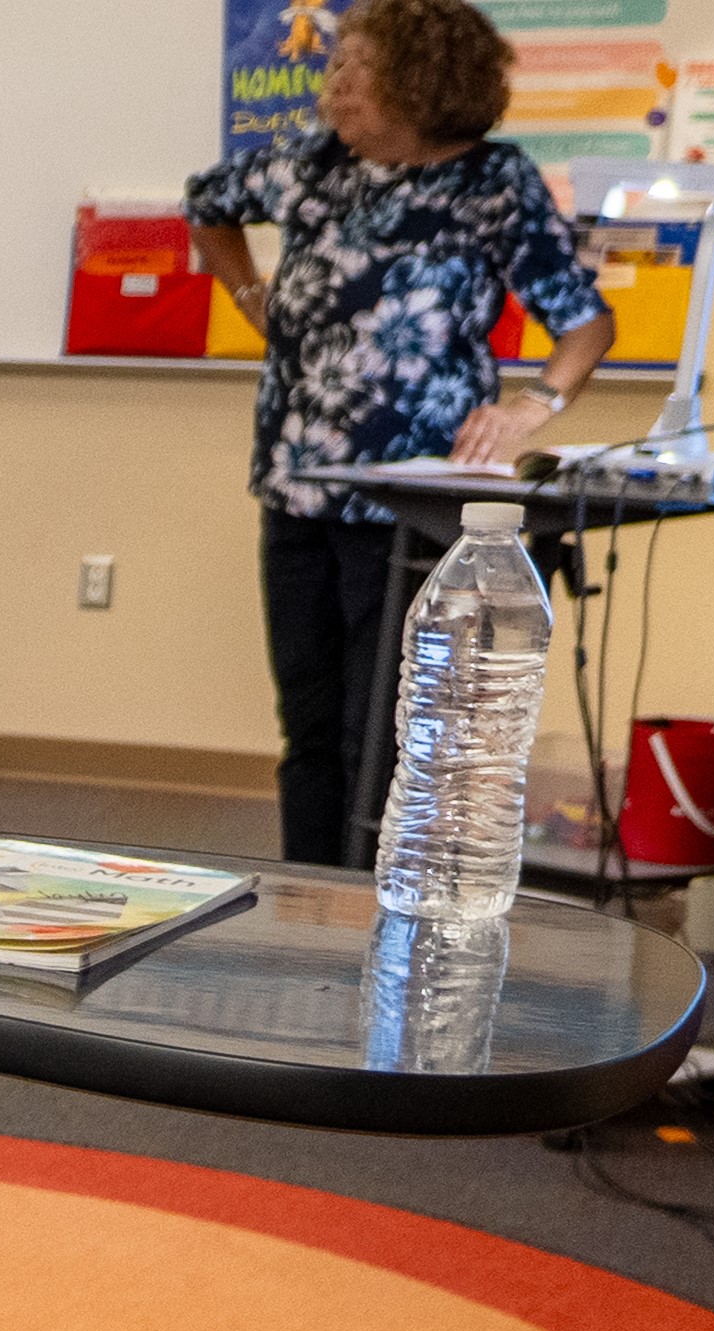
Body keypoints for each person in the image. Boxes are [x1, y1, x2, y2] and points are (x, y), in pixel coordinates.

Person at [184, 0, 615, 867]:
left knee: (377, 731)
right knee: (306, 723)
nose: (333, 85)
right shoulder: (312, 168)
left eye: (357, 68)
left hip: (410, 506)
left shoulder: (492, 184)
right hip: (297, 489)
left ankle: (374, 916)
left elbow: (584, 325)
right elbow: (207, 204)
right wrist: (246, 293)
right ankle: (304, 899)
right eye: (334, 64)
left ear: (423, 83)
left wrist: (534, 406)